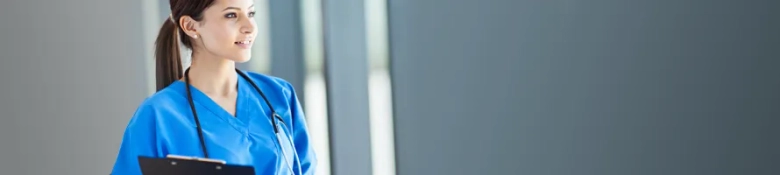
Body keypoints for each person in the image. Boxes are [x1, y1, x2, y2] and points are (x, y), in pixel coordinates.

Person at [110, 0, 316, 174]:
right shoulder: (158, 115)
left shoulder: (278, 94)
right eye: (231, 16)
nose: (250, 27)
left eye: (250, 13)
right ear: (191, 26)